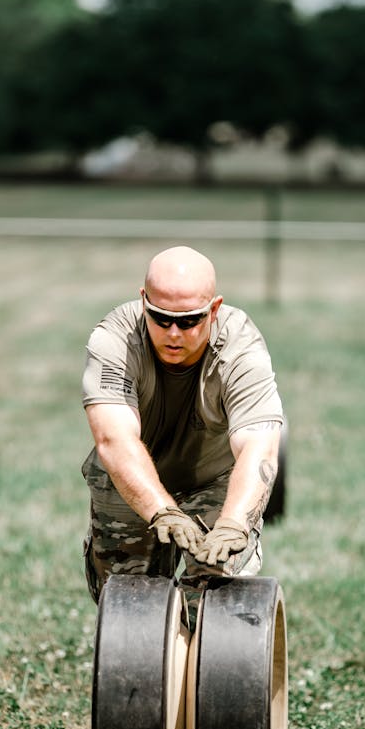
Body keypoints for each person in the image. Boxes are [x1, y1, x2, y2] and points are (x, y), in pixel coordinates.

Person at [81, 245, 283, 608]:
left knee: (219, 591)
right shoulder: (115, 340)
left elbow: (259, 444)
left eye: (189, 320)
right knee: (128, 604)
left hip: (214, 479)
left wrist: (234, 523)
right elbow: (114, 439)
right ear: (143, 301)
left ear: (214, 309)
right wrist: (162, 510)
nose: (174, 333)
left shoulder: (242, 347)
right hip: (131, 482)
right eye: (161, 318)